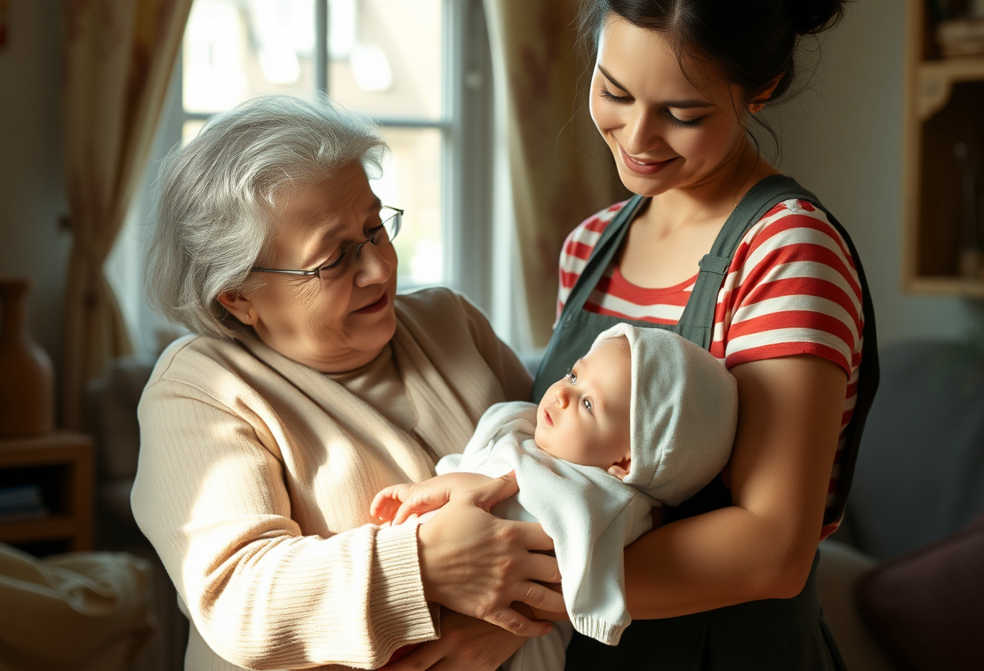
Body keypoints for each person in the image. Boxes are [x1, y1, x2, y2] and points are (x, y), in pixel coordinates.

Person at [129, 94, 565, 671]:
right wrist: (426, 562)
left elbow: (575, 486)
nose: (381, 268)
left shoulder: (449, 322)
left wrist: (508, 630)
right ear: (237, 296)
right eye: (334, 259)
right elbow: (238, 599)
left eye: (375, 228)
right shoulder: (199, 387)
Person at [529, 1, 880, 668]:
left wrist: (523, 590)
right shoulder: (590, 246)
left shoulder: (785, 249)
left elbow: (771, 549)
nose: (636, 135)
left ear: (762, 88)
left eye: (682, 114)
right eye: (614, 91)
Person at [371, 323, 738, 671]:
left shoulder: (596, 503)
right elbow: (471, 468)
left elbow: (589, 586)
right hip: (414, 589)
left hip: (497, 639)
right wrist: (432, 490)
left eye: (588, 404)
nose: (562, 393)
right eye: (575, 375)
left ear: (624, 462)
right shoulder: (523, 426)